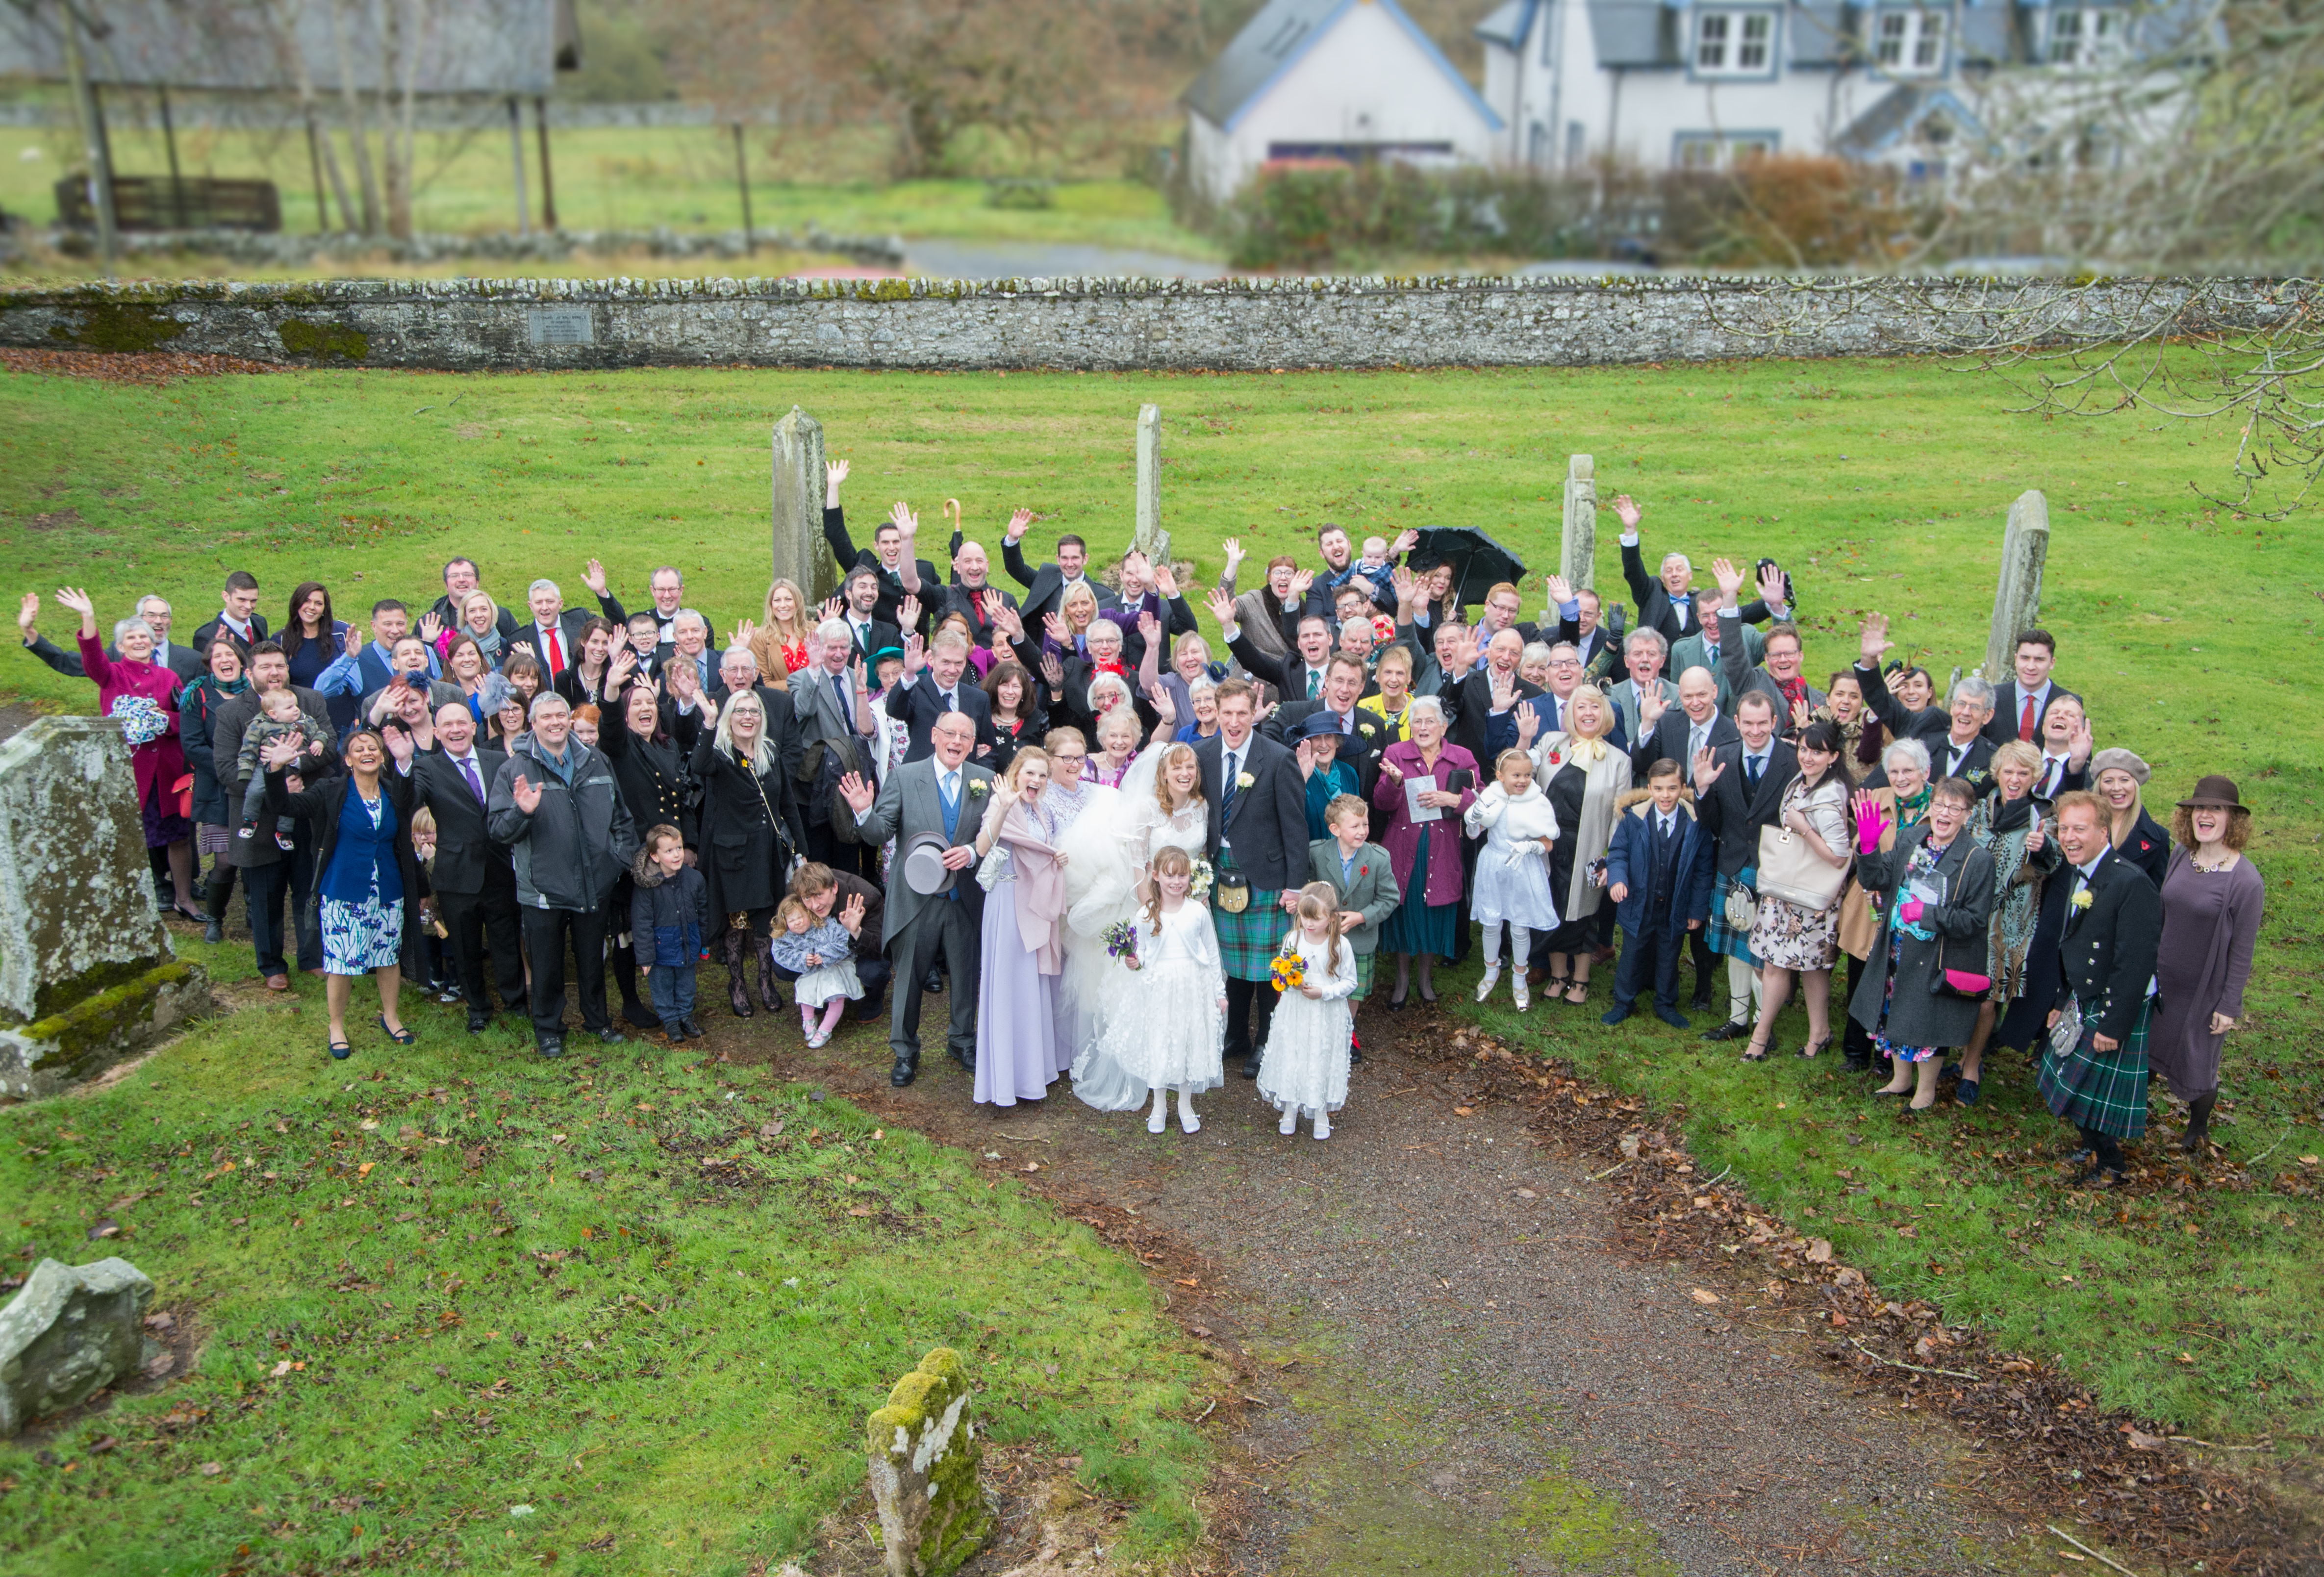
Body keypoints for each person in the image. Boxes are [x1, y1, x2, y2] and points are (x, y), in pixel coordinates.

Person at [836, 712, 995, 1086]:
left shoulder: (985, 781)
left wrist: (972, 852)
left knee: (967, 976)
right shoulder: (906, 776)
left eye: (965, 736)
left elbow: (997, 837)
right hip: (916, 900)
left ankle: (962, 1041)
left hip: (964, 898)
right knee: (908, 980)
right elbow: (879, 834)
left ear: (973, 744)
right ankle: (905, 1051)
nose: (957, 742)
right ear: (935, 735)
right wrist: (863, 811)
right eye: (950, 734)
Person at [486, 693, 639, 1059]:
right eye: (545, 717)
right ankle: (549, 1029)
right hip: (543, 888)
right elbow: (497, 830)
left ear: (569, 721)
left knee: (591, 958)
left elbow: (622, 818)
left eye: (560, 716)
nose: (554, 723)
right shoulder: (515, 770)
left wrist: (618, 859)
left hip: (594, 883)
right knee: (547, 963)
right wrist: (522, 812)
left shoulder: (596, 761)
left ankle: (597, 1021)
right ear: (533, 724)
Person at [258, 726, 421, 1059]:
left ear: (383, 756)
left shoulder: (392, 791)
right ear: (348, 759)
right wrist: (275, 770)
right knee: (343, 963)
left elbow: (410, 803)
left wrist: (406, 759)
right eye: (359, 748)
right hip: (344, 891)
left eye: (374, 747)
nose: (367, 753)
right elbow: (285, 806)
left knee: (388, 959)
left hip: (388, 891)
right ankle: (336, 1025)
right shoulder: (331, 791)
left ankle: (390, 1017)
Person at [51, 588, 202, 922]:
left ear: (153, 643)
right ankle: (129, 903)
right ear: (120, 646)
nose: (139, 641)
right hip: (129, 771)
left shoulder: (170, 677)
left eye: (144, 637)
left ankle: (184, 900)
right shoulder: (111, 675)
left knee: (178, 837)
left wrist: (165, 721)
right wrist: (88, 617)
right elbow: (91, 658)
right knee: (128, 838)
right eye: (131, 638)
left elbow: (186, 719)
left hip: (166, 771)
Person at [1848, 776, 1997, 1111]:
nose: (1945, 814)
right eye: (1940, 805)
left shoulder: (1977, 860)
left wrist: (1927, 914)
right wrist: (1869, 849)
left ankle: (1926, 1090)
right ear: (1931, 807)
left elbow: (1975, 921)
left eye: (1955, 808)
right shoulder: (1911, 837)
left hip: (1937, 954)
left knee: (1925, 1022)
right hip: (1898, 946)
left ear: (1968, 814)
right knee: (1895, 1012)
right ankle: (1901, 1081)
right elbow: (1876, 879)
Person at [2038, 790, 2163, 1188]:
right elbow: (2072, 942)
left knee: (2082, 1091)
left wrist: (2114, 1025)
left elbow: (2136, 963)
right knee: (2063, 1082)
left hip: (2114, 1001)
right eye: (2064, 828)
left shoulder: (2131, 883)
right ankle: (2092, 1145)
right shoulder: (2080, 869)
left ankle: (2112, 1164)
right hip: (2085, 993)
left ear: (2104, 831)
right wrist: (2062, 1001)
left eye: (2080, 828)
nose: (2069, 837)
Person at [1193, 680, 1309, 1073]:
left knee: (1267, 966)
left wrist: (1294, 886)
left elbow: (1296, 828)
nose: (1234, 721)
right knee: (1230, 963)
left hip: (1266, 876)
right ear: (1216, 712)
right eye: (1227, 713)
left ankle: (1266, 1040)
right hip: (1218, 872)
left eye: (1243, 713)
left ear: (1253, 715)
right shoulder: (1201, 754)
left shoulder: (1277, 758)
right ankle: (1237, 1035)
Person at [2151, 777, 2265, 1155]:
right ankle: (2130, 1116)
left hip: (2204, 990)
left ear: (2233, 819)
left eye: (2216, 809)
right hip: (2163, 977)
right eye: (2199, 808)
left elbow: (2242, 950)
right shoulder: (2181, 855)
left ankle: (2197, 1127)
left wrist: (2229, 1005)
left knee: (2198, 1064)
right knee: (2147, 1048)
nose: (2205, 815)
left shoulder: (2246, 881)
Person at [399, 701, 526, 1034]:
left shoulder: (499, 761)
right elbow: (406, 801)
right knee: (465, 946)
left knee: (506, 940)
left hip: (500, 869)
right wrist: (402, 763)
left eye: (462, 723)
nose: (456, 730)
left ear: (473, 727)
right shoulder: (427, 768)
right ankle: (478, 1008)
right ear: (437, 733)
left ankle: (515, 1002)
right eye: (447, 725)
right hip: (457, 873)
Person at [213, 642, 333, 987]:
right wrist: (275, 783)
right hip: (260, 818)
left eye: (280, 666)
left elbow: (330, 747)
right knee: (265, 895)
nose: (275, 673)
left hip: (307, 813)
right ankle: (271, 965)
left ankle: (312, 956)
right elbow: (225, 768)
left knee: (308, 887)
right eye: (266, 667)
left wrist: (296, 767)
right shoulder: (233, 713)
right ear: (249, 672)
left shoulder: (309, 701)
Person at [1734, 719, 1852, 1060]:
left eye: (1817, 752)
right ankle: (1820, 1033)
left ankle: (1761, 1038)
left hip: (1809, 898)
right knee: (1801, 966)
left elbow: (1837, 856)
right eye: (1803, 749)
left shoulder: (1830, 798)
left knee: (1784, 966)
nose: (1808, 757)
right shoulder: (1801, 783)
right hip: (1787, 891)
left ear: (1833, 757)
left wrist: (1803, 829)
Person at [690, 687, 809, 1018]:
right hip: (733, 855)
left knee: (765, 921)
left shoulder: (770, 754)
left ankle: (765, 981)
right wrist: (709, 723)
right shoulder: (720, 755)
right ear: (731, 716)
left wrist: (803, 852)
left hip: (768, 852)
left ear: (762, 718)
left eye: (754, 712)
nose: (748, 717)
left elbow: (787, 805)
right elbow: (698, 765)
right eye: (740, 711)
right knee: (736, 923)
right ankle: (737, 984)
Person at [1952, 740, 2059, 1103]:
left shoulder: (2043, 816)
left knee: (1988, 997)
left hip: (2009, 920)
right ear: (1997, 772)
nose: (2015, 779)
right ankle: (1958, 1050)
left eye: (2024, 773)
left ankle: (1972, 1064)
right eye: (2009, 771)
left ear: (2036, 777)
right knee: (1961, 988)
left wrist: (2043, 848)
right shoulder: (1979, 808)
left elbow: (2054, 863)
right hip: (1967, 912)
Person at [966, 748, 1070, 1107]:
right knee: (1011, 984)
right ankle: (1006, 1078)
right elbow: (982, 847)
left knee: (1034, 985)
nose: (1037, 781)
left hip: (1034, 903)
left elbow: (1042, 849)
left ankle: (1034, 1071)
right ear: (1016, 774)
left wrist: (1058, 856)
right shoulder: (1003, 803)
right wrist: (1004, 807)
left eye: (1043, 776)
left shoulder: (1040, 809)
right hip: (1008, 901)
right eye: (1031, 774)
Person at [1693, 692, 1800, 1042]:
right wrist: (1703, 790)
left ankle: (1762, 1022)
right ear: (1736, 723)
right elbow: (1711, 823)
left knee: (1764, 950)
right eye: (1748, 723)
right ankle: (1738, 1019)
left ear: (1774, 722)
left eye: (1762, 723)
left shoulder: (1793, 761)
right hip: (1733, 863)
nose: (1755, 731)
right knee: (1737, 946)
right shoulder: (1720, 757)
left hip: (1774, 867)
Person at [1371, 695, 1478, 1009]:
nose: (1423, 727)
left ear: (1444, 726)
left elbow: (1481, 800)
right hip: (1405, 846)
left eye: (1430, 721)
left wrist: (1451, 799)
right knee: (1406, 910)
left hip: (1443, 846)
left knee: (1434, 910)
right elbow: (1381, 803)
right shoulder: (1396, 753)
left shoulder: (1462, 757)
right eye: (1417, 721)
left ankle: (1425, 977)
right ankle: (1402, 978)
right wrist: (1393, 782)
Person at [1532, 685, 1633, 1005]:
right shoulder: (1551, 743)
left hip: (1590, 847)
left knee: (1584, 913)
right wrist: (1523, 740)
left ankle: (1581, 979)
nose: (1588, 714)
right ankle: (1558, 974)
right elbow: (1523, 775)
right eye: (1581, 708)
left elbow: (1620, 817)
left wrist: (1611, 860)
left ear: (1604, 714)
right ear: (1571, 713)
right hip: (1549, 846)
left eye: (1594, 708)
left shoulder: (1619, 761)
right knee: (1553, 909)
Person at [1840, 737, 1933, 1071]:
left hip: (1913, 912)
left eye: (1908, 770)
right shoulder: (1877, 799)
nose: (1901, 778)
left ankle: (1887, 1057)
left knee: (1899, 983)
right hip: (1871, 906)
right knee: (1862, 977)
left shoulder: (1938, 808)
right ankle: (1854, 1051)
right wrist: (1865, 842)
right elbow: (1859, 851)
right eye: (1894, 771)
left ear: (1925, 772)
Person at [1601, 758, 1714, 1029]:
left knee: (1669, 954)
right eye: (1660, 789)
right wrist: (1618, 880)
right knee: (1632, 953)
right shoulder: (1634, 819)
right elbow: (1618, 854)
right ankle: (1623, 1002)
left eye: (1672, 789)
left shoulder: (1695, 823)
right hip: (1639, 902)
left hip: (1676, 904)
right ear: (1650, 788)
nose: (1666, 795)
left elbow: (1702, 871)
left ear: (1682, 788)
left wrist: (1696, 910)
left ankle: (1665, 1003)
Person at [1257, 882, 1362, 1140]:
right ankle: (1290, 1108)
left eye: (1316, 919)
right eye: (1304, 917)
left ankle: (1320, 1112)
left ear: (1331, 917)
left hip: (1326, 1012)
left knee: (1320, 1056)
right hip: (1296, 1009)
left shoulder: (1340, 944)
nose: (1309, 924)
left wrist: (1324, 993)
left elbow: (1351, 982)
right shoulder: (1293, 939)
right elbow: (1281, 970)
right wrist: (1288, 981)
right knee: (1294, 1054)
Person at [1465, 748, 1561, 1011]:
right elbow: (1474, 833)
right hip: (1494, 864)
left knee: (1520, 926)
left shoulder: (1537, 801)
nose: (1522, 780)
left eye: (1528, 775)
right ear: (1500, 775)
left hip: (1523, 866)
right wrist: (1474, 819)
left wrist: (1531, 848)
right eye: (1516, 775)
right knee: (1491, 922)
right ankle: (1490, 970)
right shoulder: (1491, 796)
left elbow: (1548, 841)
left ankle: (1520, 977)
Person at [1613, 496, 1774, 648]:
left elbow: (1738, 615)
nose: (1674, 574)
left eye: (1679, 569)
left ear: (1690, 576)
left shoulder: (1702, 602)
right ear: (1663, 578)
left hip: (1697, 673)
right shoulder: (1651, 594)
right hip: (1657, 674)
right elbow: (1633, 570)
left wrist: (1770, 602)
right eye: (1669, 571)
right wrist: (1630, 530)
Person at [178, 637, 250, 943]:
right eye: (218, 656)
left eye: (230, 654)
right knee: (226, 861)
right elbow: (192, 745)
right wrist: (229, 767)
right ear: (209, 664)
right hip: (218, 788)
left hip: (254, 786)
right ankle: (216, 919)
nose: (225, 660)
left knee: (254, 854)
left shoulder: (255, 691)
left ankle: (254, 911)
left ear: (241, 661)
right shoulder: (197, 695)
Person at [1307, 792, 1400, 1008]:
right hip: (1323, 939)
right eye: (1355, 826)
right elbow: (1308, 893)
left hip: (1361, 941)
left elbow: (1390, 898)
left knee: (1352, 995)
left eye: (1365, 824)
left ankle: (1347, 1034)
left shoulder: (1379, 858)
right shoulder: (1316, 854)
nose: (1362, 831)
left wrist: (1362, 917)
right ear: (1335, 830)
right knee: (1322, 987)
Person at [629, 823, 707, 1041]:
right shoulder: (647, 886)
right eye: (669, 851)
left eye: (679, 848)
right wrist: (645, 957)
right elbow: (641, 922)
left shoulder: (695, 879)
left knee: (687, 985)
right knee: (662, 987)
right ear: (655, 856)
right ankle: (670, 1021)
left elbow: (703, 912)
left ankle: (686, 1016)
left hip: (687, 942)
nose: (677, 855)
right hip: (660, 948)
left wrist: (703, 941)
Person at [237, 687, 336, 855]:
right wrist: (245, 771)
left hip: (291, 768)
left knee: (290, 799)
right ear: (273, 714)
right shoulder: (260, 726)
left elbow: (320, 733)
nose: (296, 710)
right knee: (255, 790)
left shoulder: (304, 722)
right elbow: (249, 749)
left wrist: (319, 741)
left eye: (296, 705)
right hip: (266, 765)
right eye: (289, 708)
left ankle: (284, 832)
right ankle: (250, 819)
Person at [789, 862, 890, 1021]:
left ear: (834, 888)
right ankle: (818, 992)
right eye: (807, 898)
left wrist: (856, 931)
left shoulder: (867, 896)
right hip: (822, 951)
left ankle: (873, 998)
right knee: (785, 966)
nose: (814, 905)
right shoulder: (796, 894)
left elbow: (881, 948)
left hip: (860, 952)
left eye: (819, 895)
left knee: (872, 972)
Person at [771, 892, 863, 1049]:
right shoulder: (785, 936)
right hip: (811, 971)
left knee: (836, 995)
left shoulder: (827, 924)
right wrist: (802, 959)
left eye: (800, 917)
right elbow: (781, 953)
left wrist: (826, 955)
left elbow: (845, 940)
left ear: (809, 914)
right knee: (806, 989)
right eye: (792, 920)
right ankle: (808, 1020)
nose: (798, 923)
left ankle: (826, 1030)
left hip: (836, 967)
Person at [888, 631, 997, 763]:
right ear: (931, 660)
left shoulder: (978, 698)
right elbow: (894, 710)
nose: (952, 670)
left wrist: (977, 779)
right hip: (921, 779)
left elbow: (989, 750)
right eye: (946, 662)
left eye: (958, 663)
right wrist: (909, 674)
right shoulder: (915, 689)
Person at [1981, 629, 2080, 746]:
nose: (2031, 666)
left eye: (2039, 660)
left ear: (2052, 663)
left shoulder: (2072, 704)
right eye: (2025, 658)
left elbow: (2080, 755)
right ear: (2016, 659)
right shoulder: (1991, 697)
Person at [279, 582, 356, 732]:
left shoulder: (340, 633)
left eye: (318, 603)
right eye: (306, 601)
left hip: (341, 717)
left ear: (324, 609)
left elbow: (354, 677)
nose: (312, 607)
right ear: (296, 603)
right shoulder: (281, 640)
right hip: (303, 720)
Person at [2092, 748, 2171, 888]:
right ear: (2099, 786)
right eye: (2108, 781)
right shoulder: (2082, 826)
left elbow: (2157, 894)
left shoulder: (2159, 838)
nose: (2116, 788)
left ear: (2135, 786)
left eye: (2124, 780)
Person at [1292, 711, 1364, 840]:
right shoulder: (1296, 773)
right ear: (1307, 743)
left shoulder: (1349, 773)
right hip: (1310, 855)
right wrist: (1301, 780)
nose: (1324, 745)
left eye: (1329, 737)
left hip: (1345, 854)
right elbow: (1289, 816)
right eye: (1316, 738)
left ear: (1337, 742)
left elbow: (1359, 816)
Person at [428, 557, 520, 646]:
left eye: (467, 575)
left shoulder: (502, 617)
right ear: (446, 585)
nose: (461, 580)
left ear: (478, 582)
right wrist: (427, 642)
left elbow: (518, 654)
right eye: (454, 576)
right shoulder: (431, 622)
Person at [749, 579, 817, 688]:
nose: (783, 605)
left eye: (788, 599)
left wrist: (831, 625)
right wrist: (803, 684)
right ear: (771, 605)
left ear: (797, 602)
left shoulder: (815, 630)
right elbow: (764, 683)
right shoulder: (760, 638)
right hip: (781, 702)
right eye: (777, 600)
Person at [191, 569, 267, 659]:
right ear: (226, 597)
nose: (248, 606)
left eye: (253, 601)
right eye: (242, 600)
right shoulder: (206, 637)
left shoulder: (260, 622)